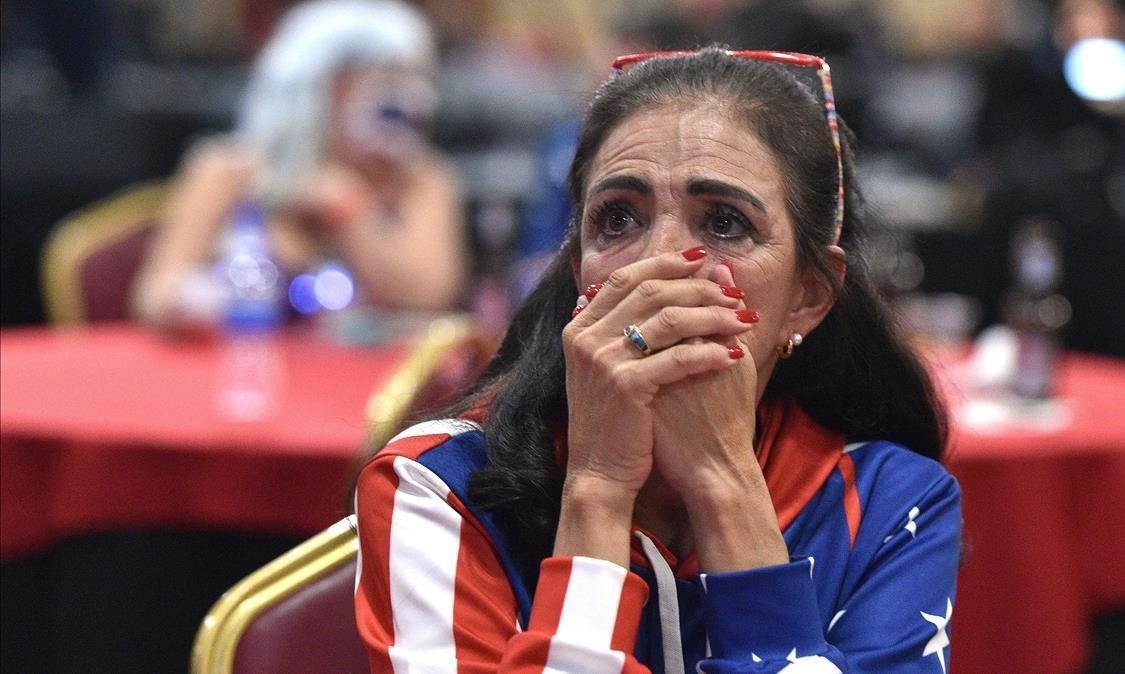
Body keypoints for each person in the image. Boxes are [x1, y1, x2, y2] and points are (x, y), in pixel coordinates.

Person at [355, 48, 961, 673]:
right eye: (617, 220)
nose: (656, 264)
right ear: (577, 268)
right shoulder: (439, 486)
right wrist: (596, 489)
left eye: (724, 223)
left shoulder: (893, 504)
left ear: (808, 295)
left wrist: (726, 487)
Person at [132, 0, 466, 330]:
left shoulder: (422, 180)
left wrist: (348, 209)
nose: (398, 97)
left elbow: (430, 297)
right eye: (368, 77)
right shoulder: (227, 172)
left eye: (407, 77)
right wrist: (193, 299)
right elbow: (154, 296)